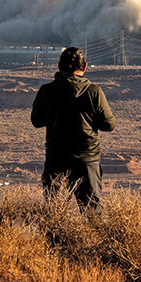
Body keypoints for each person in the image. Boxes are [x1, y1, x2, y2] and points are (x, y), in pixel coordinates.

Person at [31, 47, 116, 212]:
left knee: (55, 214)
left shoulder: (46, 91)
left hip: (56, 160)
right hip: (87, 161)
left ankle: (55, 239)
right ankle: (93, 238)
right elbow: (109, 124)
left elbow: (36, 121)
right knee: (93, 213)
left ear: (58, 66)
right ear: (84, 67)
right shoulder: (94, 92)